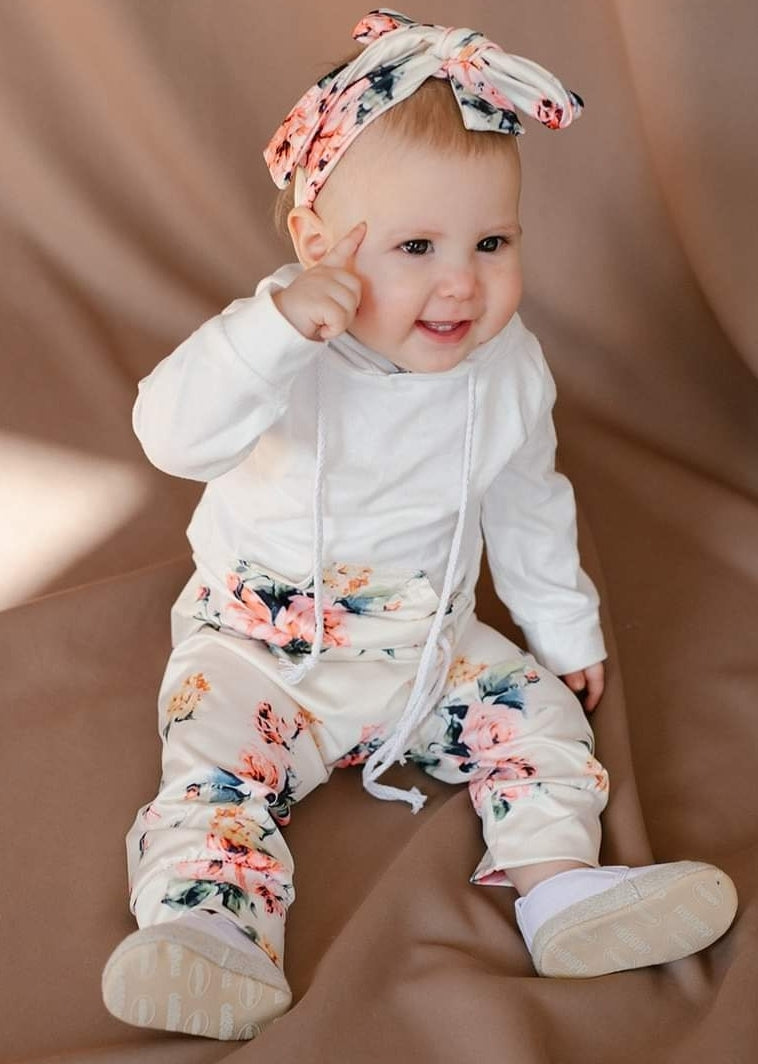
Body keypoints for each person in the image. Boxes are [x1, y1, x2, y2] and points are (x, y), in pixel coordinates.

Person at [101, 8, 737, 1042]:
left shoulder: (505, 367)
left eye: (491, 241)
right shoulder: (275, 346)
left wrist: (563, 629)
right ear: (317, 244)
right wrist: (269, 333)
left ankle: (559, 886)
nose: (460, 283)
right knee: (211, 763)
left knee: (535, 722)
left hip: (422, 648)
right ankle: (208, 931)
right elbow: (172, 436)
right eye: (415, 246)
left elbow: (529, 500)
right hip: (260, 652)